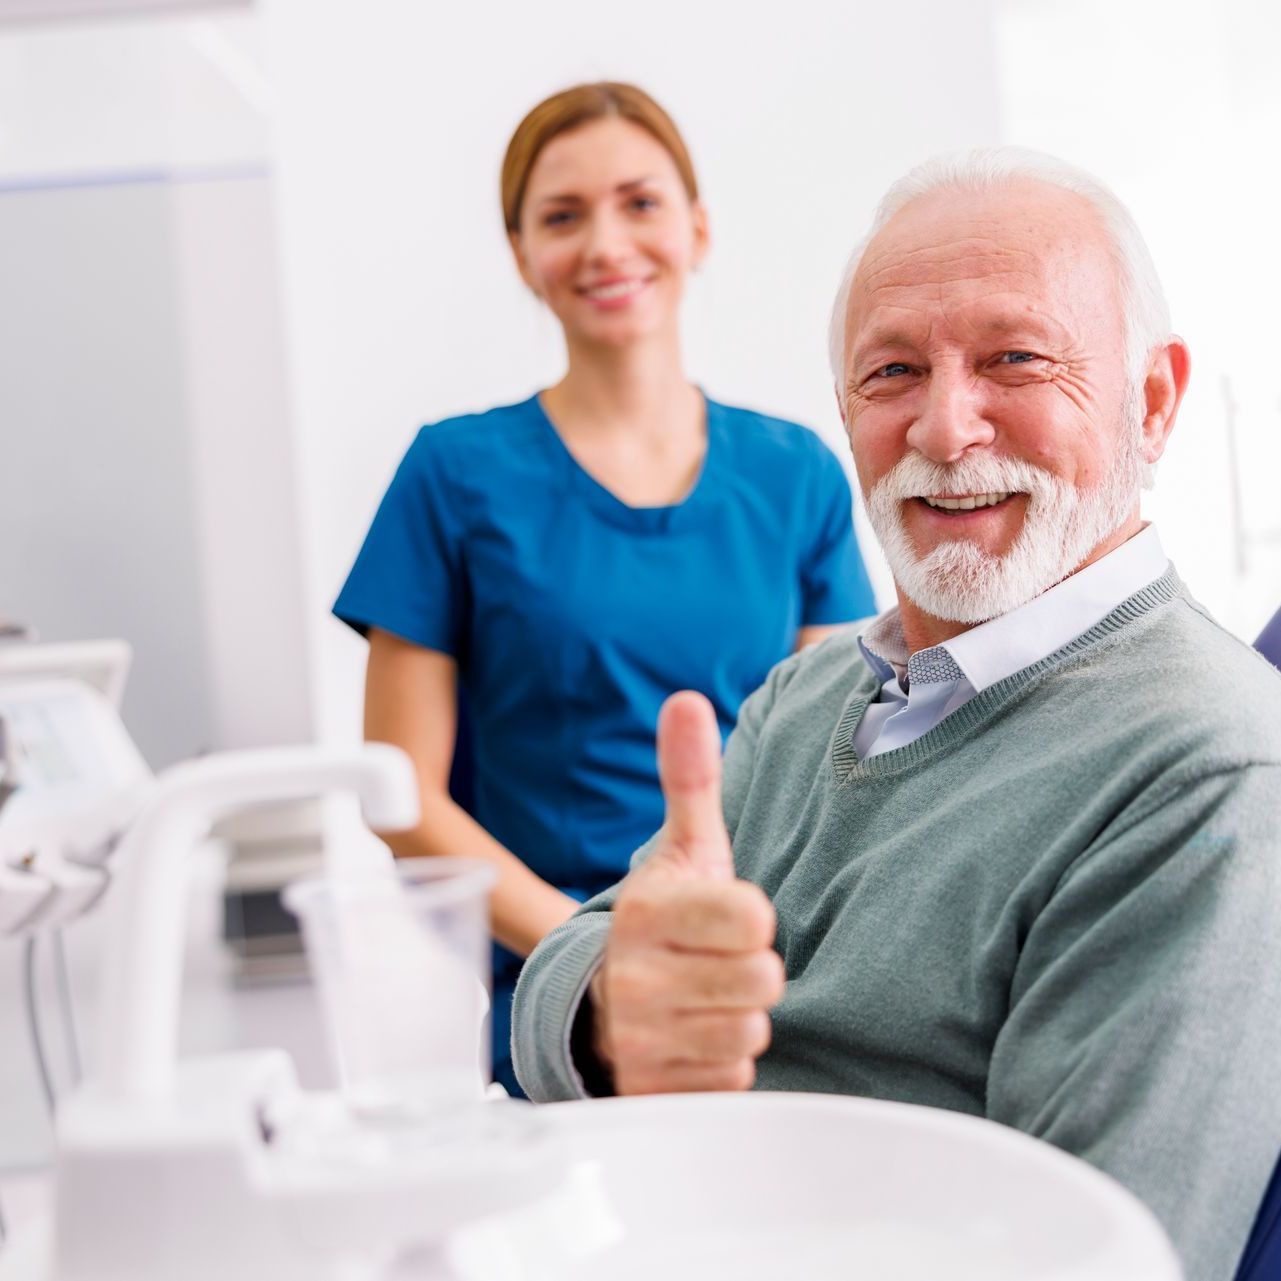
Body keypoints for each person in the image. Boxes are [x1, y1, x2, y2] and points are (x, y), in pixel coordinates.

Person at [512, 148, 1281, 1280]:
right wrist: (611, 1009)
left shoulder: (1209, 773)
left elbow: (1109, 1257)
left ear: (1152, 402)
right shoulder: (809, 693)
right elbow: (560, 984)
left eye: (1014, 360)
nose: (943, 428)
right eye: (892, 374)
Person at [333, 82, 876, 1095]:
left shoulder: (797, 473)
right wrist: (600, 964)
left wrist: (723, 963)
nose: (606, 244)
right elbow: (402, 798)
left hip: (761, 991)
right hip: (559, 1013)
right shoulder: (452, 476)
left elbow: (836, 771)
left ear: (698, 227)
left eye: (640, 202)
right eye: (562, 216)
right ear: (521, 254)